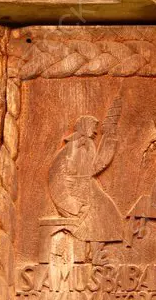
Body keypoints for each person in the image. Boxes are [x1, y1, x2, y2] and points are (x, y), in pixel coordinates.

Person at [47, 107, 124, 252]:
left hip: (86, 189)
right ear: (85, 126)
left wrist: (109, 138)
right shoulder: (73, 148)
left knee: (107, 211)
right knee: (102, 213)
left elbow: (96, 166)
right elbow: (59, 177)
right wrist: (71, 204)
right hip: (74, 195)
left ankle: (95, 254)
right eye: (94, 128)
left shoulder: (88, 145)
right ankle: (92, 254)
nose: (95, 131)